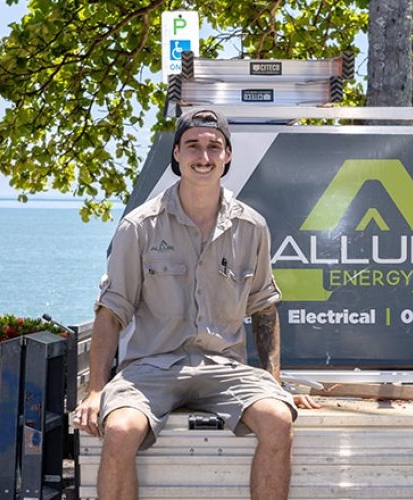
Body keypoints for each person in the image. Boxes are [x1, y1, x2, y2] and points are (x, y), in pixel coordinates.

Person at [72, 107, 318, 500]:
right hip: (152, 367)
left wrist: (274, 384)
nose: (203, 157)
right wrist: (97, 391)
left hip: (224, 367)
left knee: (277, 419)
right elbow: (111, 310)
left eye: (213, 147)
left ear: (228, 156)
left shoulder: (251, 226)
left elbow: (264, 308)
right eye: (193, 146)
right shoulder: (140, 226)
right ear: (176, 154)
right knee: (118, 431)